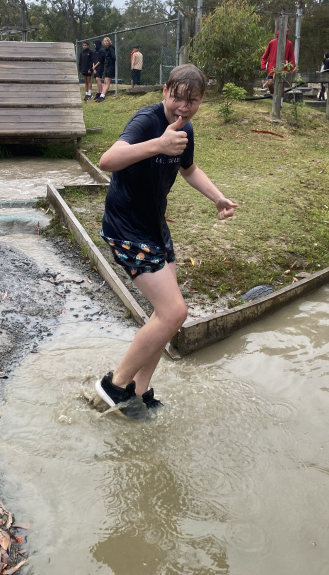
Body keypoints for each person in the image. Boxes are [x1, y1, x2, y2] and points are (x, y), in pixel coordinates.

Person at [95, 64, 237, 413]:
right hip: (126, 228)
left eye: (192, 101)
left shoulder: (185, 129)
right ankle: (114, 386)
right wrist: (158, 144)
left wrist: (217, 197)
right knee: (175, 313)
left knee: (166, 314)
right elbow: (107, 160)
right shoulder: (146, 121)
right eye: (177, 98)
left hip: (154, 227)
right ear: (164, 92)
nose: (183, 108)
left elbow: (188, 169)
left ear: (201, 101)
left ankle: (139, 390)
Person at [261, 28, 296, 95]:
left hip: (283, 68)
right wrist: (263, 65)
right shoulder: (272, 42)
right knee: (270, 83)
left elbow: (291, 58)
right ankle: (273, 96)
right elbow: (265, 55)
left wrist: (292, 69)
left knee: (281, 85)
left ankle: (280, 100)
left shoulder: (289, 44)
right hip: (272, 68)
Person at [96, 36, 116, 101]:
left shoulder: (111, 48)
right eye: (105, 41)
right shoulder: (106, 49)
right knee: (105, 81)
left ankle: (103, 96)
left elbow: (113, 57)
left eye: (107, 41)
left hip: (111, 66)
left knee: (107, 81)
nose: (106, 42)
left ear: (109, 42)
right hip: (107, 66)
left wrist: (110, 61)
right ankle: (101, 95)